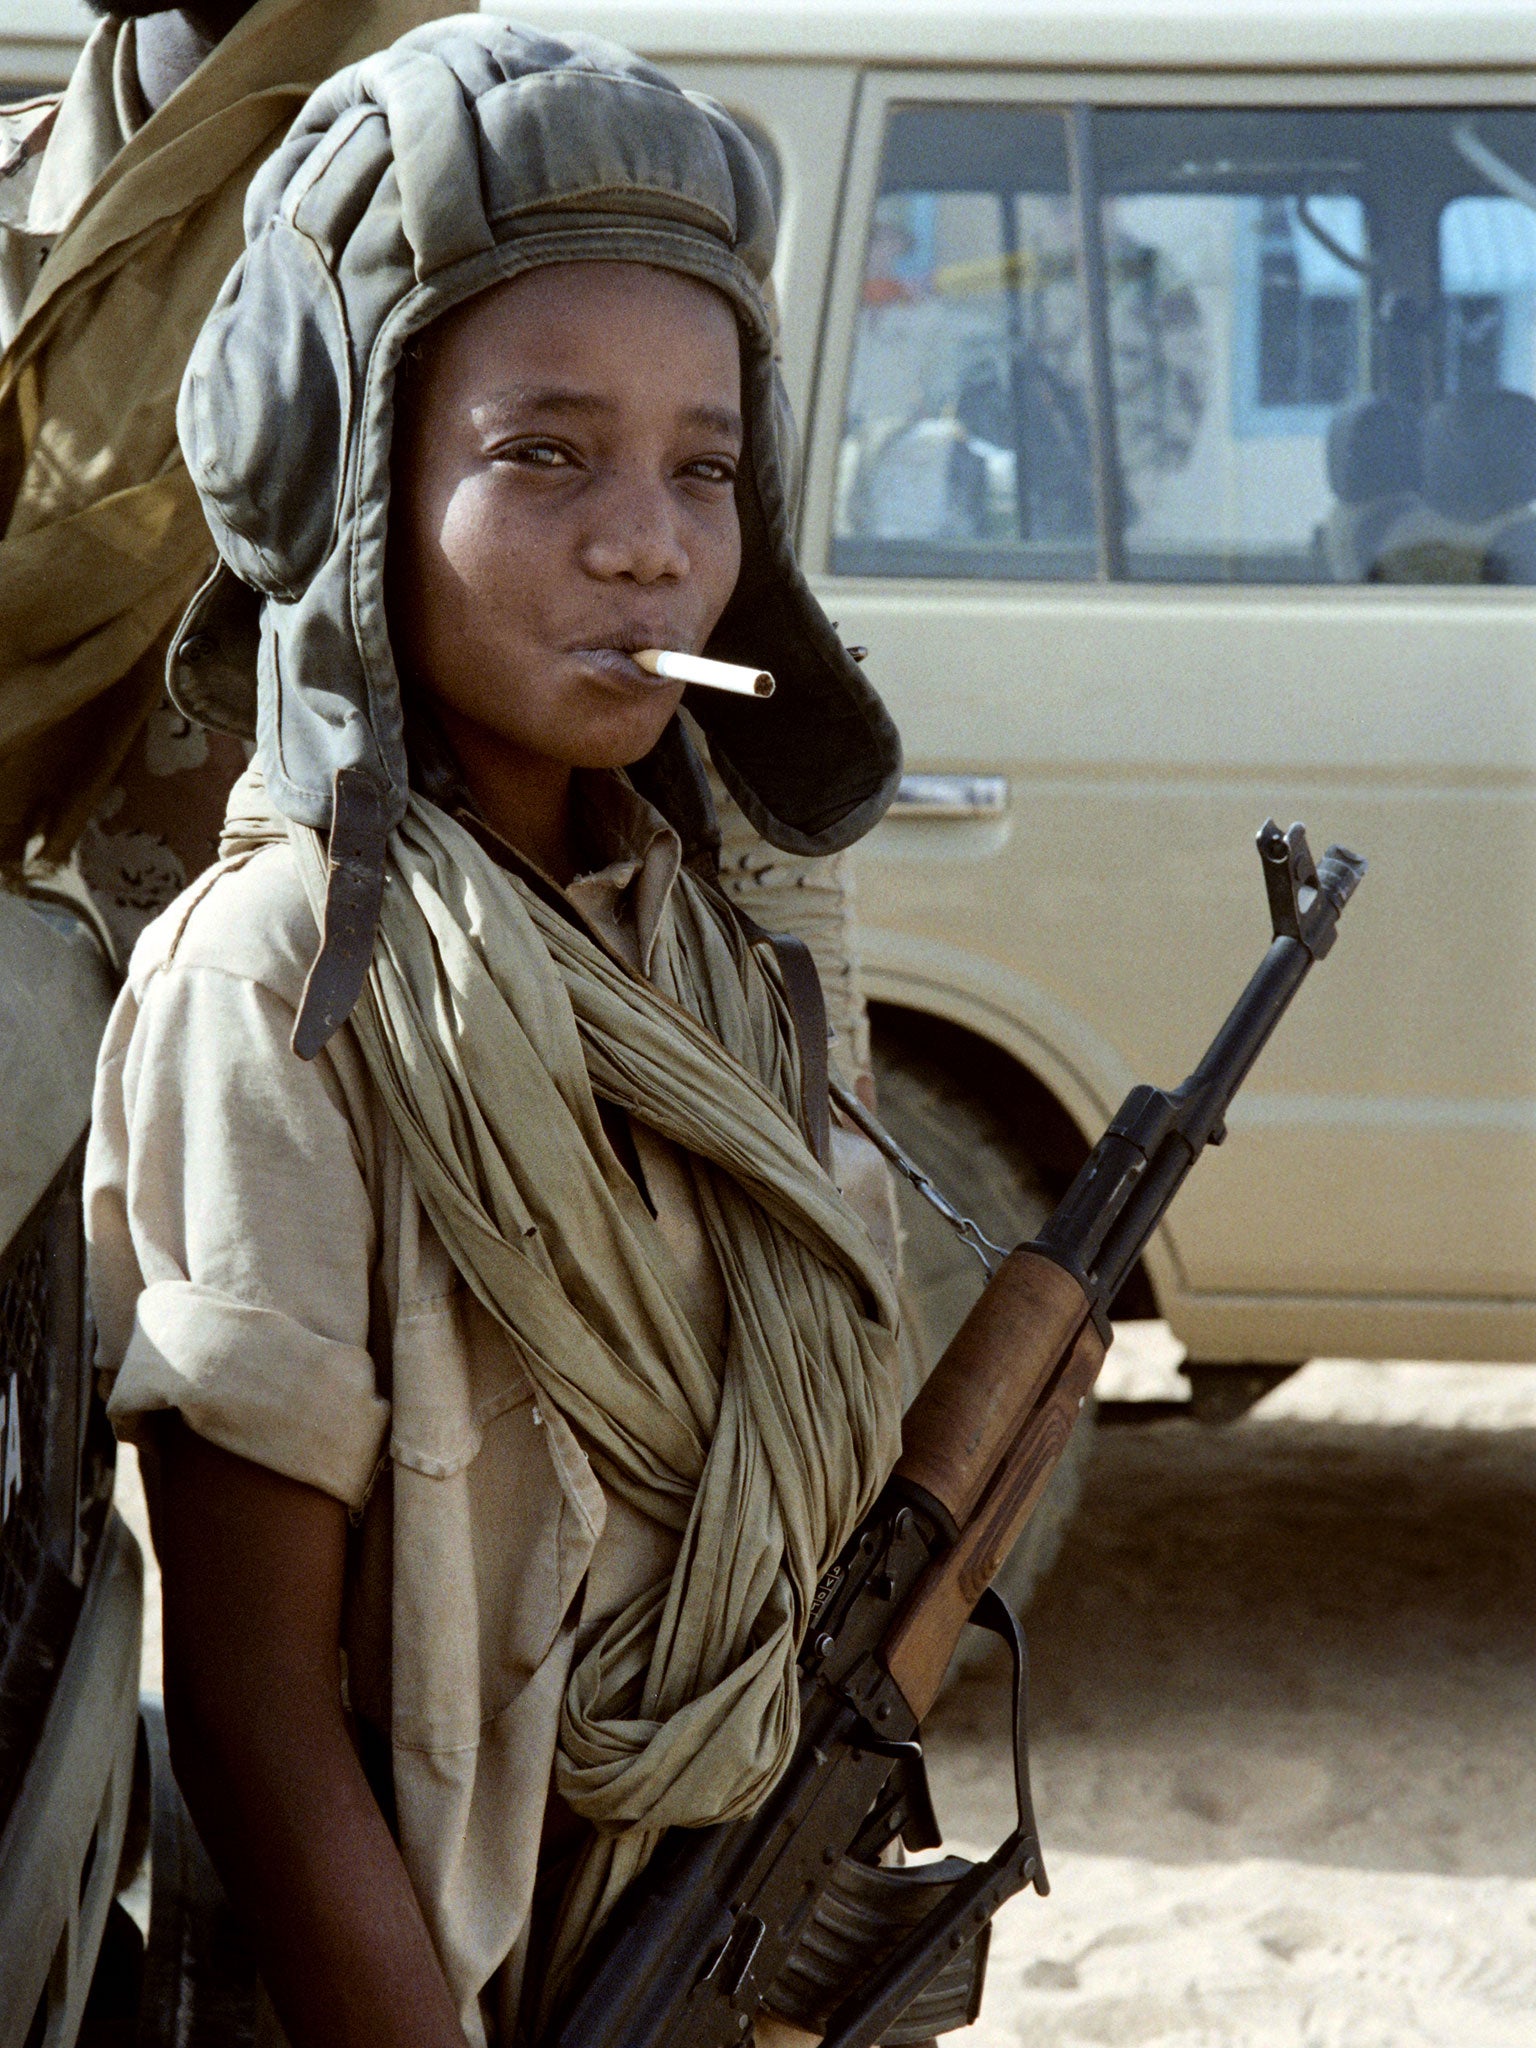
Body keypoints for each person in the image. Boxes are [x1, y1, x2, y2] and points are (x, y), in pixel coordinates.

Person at [84, 19, 906, 2047]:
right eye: (545, 454)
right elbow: (261, 1713)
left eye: (705, 469)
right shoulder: (283, 980)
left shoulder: (741, 961)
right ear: (348, 476)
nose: (649, 540)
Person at [0, 4, 885, 1115]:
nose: (646, 540)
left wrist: (808, 1118)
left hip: (472, 1066)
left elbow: (711, 655)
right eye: (542, 452)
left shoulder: (518, 158)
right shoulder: (22, 201)